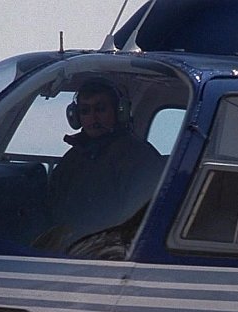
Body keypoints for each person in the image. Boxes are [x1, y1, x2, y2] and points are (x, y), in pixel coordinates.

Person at [39, 78, 165, 253]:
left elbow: (140, 221)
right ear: (76, 117)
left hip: (108, 251)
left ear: (119, 112)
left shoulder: (138, 157)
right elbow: (53, 209)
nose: (93, 117)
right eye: (85, 111)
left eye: (100, 109)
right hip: (71, 247)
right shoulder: (72, 159)